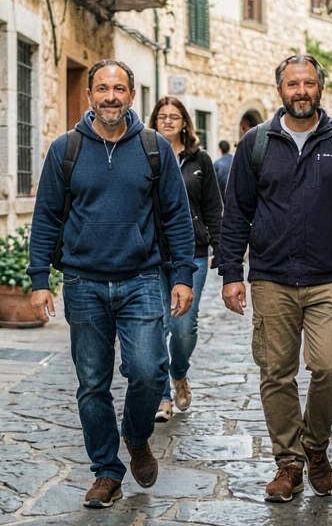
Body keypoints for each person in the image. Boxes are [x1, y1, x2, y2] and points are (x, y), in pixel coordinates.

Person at [28, 60, 199, 509]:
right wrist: (39, 278)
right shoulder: (65, 149)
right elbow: (45, 216)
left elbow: (178, 217)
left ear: (131, 95)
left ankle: (136, 435)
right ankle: (106, 471)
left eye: (118, 88)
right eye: (102, 88)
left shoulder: (153, 148)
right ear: (89, 96)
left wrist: (183, 275)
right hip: (83, 282)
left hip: (142, 279)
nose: (110, 96)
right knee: (91, 384)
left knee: (148, 371)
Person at [219, 54, 332, 503]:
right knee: (276, 372)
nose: (301, 91)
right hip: (271, 277)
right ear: (280, 91)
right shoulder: (256, 143)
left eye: (308, 83)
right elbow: (236, 213)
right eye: (293, 84)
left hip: (330, 276)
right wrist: (232, 272)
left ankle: (314, 442)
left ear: (321, 88)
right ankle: (288, 463)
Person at [149, 97, 223, 421]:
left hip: (192, 253)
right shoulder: (144, 154)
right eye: (162, 116)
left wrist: (220, 248)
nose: (168, 121)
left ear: (184, 122)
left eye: (174, 116)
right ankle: (162, 396)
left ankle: (179, 372)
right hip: (151, 254)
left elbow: (213, 207)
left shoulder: (200, 159)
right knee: (158, 324)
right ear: (154, 120)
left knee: (184, 326)